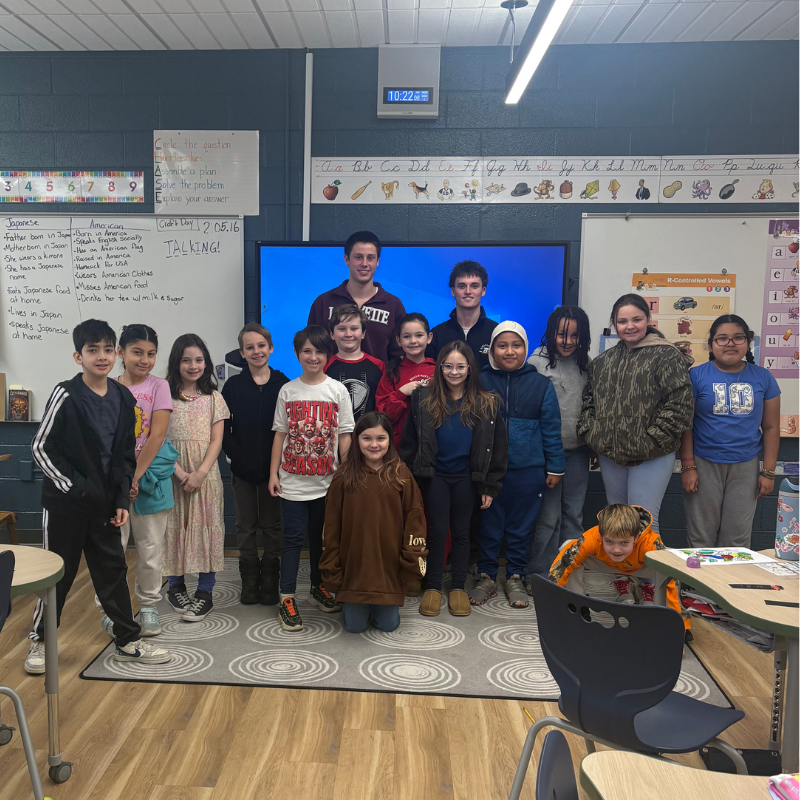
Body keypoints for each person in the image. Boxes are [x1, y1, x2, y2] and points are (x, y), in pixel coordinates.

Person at [25, 319, 171, 675]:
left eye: (108, 350)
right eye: (93, 350)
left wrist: (121, 500)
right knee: (57, 574)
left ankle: (127, 640)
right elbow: (41, 448)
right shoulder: (65, 394)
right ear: (79, 356)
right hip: (66, 507)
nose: (102, 357)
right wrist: (77, 489)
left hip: (106, 506)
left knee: (112, 571)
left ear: (116, 353)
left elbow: (124, 455)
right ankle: (42, 641)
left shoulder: (123, 396)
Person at [401, 340, 507, 618]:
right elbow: (411, 441)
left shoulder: (487, 402)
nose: (454, 372)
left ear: (470, 368)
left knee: (461, 532)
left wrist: (489, 485)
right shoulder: (423, 398)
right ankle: (433, 586)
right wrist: (412, 477)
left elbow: (497, 448)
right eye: (448, 366)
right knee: (437, 531)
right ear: (439, 368)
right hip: (435, 476)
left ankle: (458, 586)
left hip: (467, 479)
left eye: (460, 366)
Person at [578, 294, 693, 534]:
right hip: (612, 455)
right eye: (622, 321)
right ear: (614, 323)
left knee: (644, 523)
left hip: (651, 455)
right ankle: (623, 572)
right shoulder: (602, 362)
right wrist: (593, 434)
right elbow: (589, 401)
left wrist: (650, 439)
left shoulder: (666, 355)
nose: (629, 326)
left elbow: (679, 404)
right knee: (617, 523)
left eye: (636, 319)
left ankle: (648, 574)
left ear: (648, 320)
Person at [472, 322, 565, 609]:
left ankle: (515, 575)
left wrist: (555, 467)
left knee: (521, 528)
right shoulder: (480, 381)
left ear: (525, 348)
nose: (510, 351)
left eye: (516, 345)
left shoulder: (541, 384)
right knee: (488, 525)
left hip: (528, 471)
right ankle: (486, 576)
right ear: (492, 349)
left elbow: (551, 428)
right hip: (489, 472)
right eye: (502, 345)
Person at [269, 325, 355, 632]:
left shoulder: (337, 390)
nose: (313, 356)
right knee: (292, 540)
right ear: (296, 353)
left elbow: (345, 434)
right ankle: (287, 597)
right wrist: (273, 474)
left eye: (319, 351)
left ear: (328, 355)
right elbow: (280, 434)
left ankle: (319, 589)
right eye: (307, 351)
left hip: (328, 483)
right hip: (292, 482)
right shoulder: (288, 391)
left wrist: (346, 474)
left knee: (322, 541)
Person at [320, 412, 428, 633]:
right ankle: (357, 604)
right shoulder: (343, 476)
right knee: (355, 627)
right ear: (357, 439)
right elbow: (331, 525)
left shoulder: (401, 475)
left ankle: (379, 605)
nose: (374, 445)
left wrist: (410, 560)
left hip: (388, 567)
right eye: (366, 438)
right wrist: (332, 565)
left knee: (388, 625)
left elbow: (415, 521)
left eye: (381, 438)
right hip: (353, 568)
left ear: (390, 440)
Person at [98, 324, 174, 639]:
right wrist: (120, 479)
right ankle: (111, 610)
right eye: (137, 352)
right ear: (121, 353)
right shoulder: (106, 387)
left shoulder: (159, 387)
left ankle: (150, 607)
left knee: (150, 549)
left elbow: (156, 435)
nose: (144, 360)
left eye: (151, 354)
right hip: (113, 484)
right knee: (112, 551)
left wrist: (136, 475)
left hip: (151, 479)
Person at [680, 314, 781, 548]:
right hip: (703, 464)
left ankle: (729, 584)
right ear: (711, 344)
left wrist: (768, 472)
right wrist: (688, 466)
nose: (730, 343)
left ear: (747, 342)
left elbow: (771, 427)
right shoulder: (696, 376)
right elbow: (685, 425)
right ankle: (698, 585)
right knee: (701, 536)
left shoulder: (763, 377)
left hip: (745, 465)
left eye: (738, 338)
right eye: (722, 338)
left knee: (736, 538)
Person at [221, 323, 290, 606]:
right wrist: (237, 455)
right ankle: (249, 580)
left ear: (271, 348)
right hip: (243, 470)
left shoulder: (283, 383)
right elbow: (223, 428)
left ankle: (270, 578)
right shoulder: (233, 386)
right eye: (250, 347)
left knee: (273, 525)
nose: (256, 351)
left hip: (276, 471)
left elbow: (288, 427)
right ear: (242, 352)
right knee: (246, 525)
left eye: (261, 346)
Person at [164, 334, 230, 623]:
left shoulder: (214, 397)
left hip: (206, 475)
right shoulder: (162, 394)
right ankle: (175, 587)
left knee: (207, 528)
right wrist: (179, 472)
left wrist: (200, 473)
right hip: (170, 473)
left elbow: (217, 440)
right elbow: (158, 439)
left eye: (199, 360)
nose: (193, 366)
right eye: (186, 360)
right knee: (172, 528)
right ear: (176, 362)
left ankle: (205, 593)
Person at [549, 504, 689, 635]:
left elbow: (673, 582)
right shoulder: (592, 538)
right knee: (568, 549)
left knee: (672, 563)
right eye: (609, 541)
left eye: (624, 542)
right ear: (601, 535)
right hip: (606, 564)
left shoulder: (650, 543)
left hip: (644, 567)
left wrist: (680, 627)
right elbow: (562, 566)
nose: (616, 549)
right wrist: (552, 603)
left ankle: (648, 590)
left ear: (636, 537)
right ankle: (578, 606)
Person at [526, 307, 592, 584]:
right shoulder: (535, 363)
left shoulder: (585, 363)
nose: (567, 341)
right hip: (546, 455)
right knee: (548, 518)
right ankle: (539, 576)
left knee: (574, 516)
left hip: (578, 452)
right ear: (551, 333)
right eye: (561, 334)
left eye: (575, 335)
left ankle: (568, 575)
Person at [307, 230, 406, 363]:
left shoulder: (393, 305)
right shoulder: (324, 302)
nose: (364, 263)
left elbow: (400, 356)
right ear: (346, 259)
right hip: (331, 382)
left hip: (380, 383)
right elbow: (312, 349)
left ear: (377, 261)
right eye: (358, 257)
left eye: (370, 258)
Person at [375, 312, 436, 448]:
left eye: (419, 335)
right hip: (399, 448)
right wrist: (401, 393)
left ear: (429, 337)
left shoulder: (438, 371)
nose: (413, 341)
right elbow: (383, 416)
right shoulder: (391, 372)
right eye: (407, 336)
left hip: (432, 446)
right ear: (398, 340)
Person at [428, 261, 498, 370]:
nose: (468, 291)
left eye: (474, 286)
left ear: (483, 291)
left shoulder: (497, 333)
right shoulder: (437, 335)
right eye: (462, 286)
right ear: (453, 291)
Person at [325, 304, 386, 420]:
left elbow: (382, 407)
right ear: (332, 334)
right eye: (342, 329)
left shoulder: (378, 366)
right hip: (334, 435)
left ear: (363, 333)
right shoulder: (324, 366)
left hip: (368, 435)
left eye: (354, 329)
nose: (348, 334)